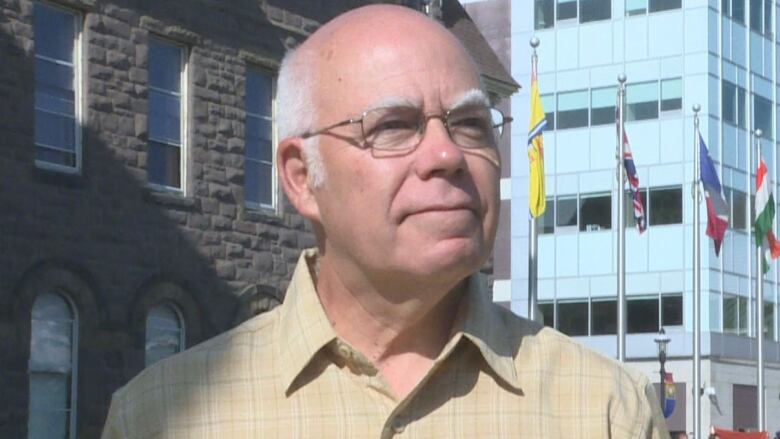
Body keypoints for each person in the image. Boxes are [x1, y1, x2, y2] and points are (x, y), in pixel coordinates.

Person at [101, 5, 669, 438]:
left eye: (471, 123)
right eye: (393, 126)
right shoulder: (161, 417)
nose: (447, 155)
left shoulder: (607, 411)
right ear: (301, 178)